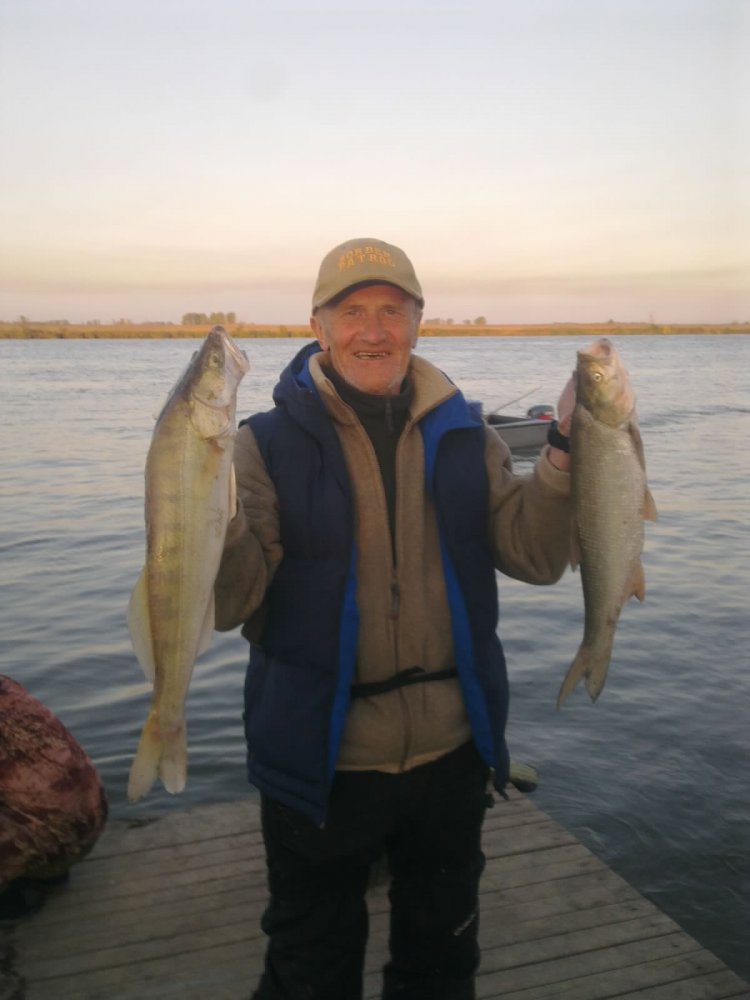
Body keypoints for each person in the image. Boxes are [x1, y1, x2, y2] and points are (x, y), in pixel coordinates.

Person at [214, 238, 574, 1000]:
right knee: (309, 975)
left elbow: (537, 556)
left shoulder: (467, 435)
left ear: (417, 322)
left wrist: (565, 460)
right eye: (352, 312)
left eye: (391, 311)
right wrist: (202, 512)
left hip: (451, 758)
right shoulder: (259, 446)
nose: (373, 331)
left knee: (440, 971)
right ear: (317, 326)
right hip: (318, 765)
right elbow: (227, 602)